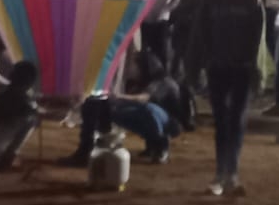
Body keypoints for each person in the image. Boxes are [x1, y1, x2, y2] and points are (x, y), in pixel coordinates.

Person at [186, 0, 264, 197]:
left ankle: (232, 173)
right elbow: (199, 34)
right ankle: (221, 173)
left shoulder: (252, 0)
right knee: (222, 121)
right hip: (218, 67)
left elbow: (259, 41)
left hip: (241, 69)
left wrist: (258, 71)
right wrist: (195, 67)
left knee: (237, 120)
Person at [62, 53, 195, 166]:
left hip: (172, 123)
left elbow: (143, 98)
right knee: (116, 112)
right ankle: (151, 145)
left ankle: (161, 145)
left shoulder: (163, 82)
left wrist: (117, 96)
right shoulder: (143, 81)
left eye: (136, 66)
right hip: (162, 118)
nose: (133, 69)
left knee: (148, 110)